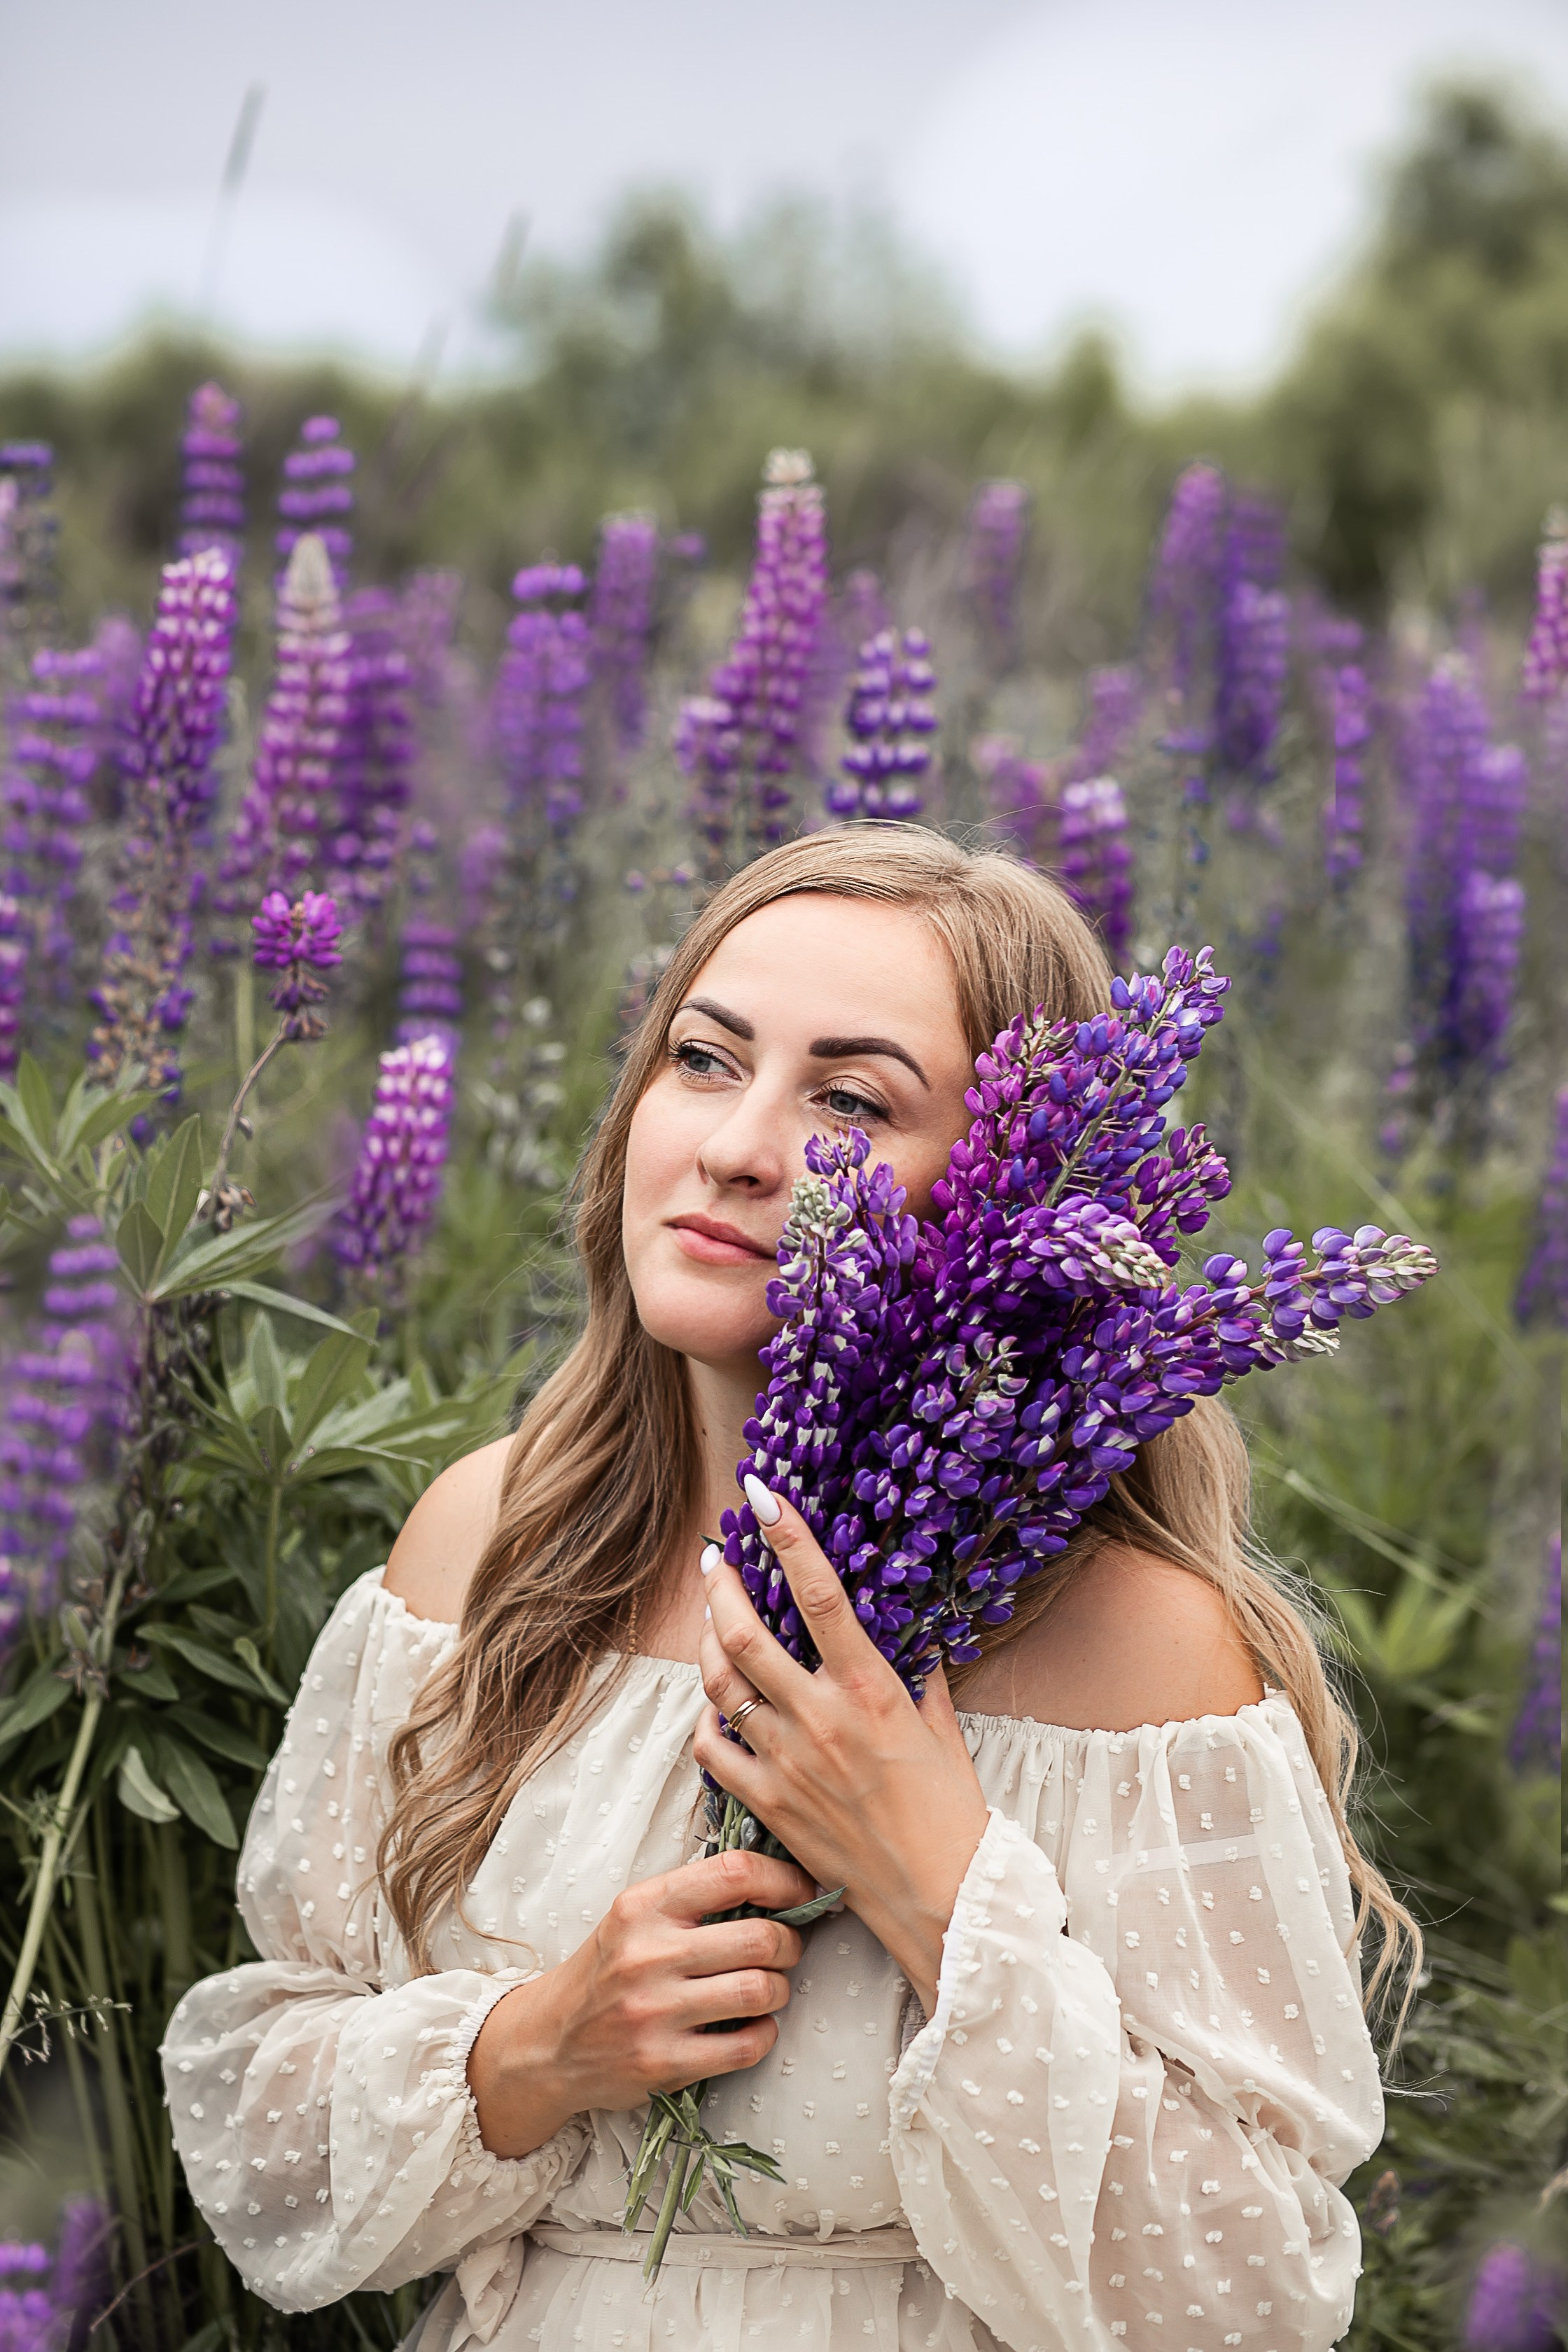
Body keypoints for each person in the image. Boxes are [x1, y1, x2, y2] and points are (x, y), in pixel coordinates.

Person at [162, 827, 1415, 2352]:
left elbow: (1255, 2297)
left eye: (849, 1099)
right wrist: (533, 2048)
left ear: (1008, 1194)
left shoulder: (1138, 1651)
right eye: (703, 1058)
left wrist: (936, 1885)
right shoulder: (488, 1544)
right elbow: (256, 2133)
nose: (742, 1146)